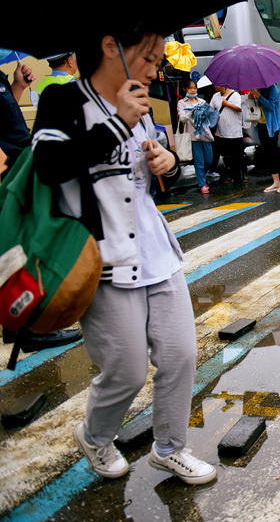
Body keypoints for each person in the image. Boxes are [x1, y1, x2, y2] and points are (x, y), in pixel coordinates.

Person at [31, 24, 216, 484]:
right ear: (111, 47)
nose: (156, 69)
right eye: (150, 58)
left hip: (157, 252)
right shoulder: (63, 101)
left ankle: (171, 447)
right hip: (101, 262)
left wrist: (167, 163)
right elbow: (49, 167)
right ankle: (95, 436)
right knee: (127, 370)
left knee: (179, 356)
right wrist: (117, 123)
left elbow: (151, 175)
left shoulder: (142, 102)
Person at [0, 52, 83, 352]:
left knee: (21, 250)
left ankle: (22, 322)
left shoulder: (2, 78)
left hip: (19, 166)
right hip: (11, 175)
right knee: (21, 250)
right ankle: (29, 327)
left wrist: (17, 87)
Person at [176, 80, 213, 194]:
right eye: (190, 88)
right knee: (199, 161)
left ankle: (201, 177)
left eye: (195, 88)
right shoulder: (182, 103)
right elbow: (182, 119)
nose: (193, 90)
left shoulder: (202, 101)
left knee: (209, 160)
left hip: (205, 134)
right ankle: (202, 183)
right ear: (185, 90)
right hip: (193, 136)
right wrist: (191, 112)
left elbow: (209, 116)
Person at [254, 84, 280, 193]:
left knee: (274, 151)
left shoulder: (272, 88)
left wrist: (258, 95)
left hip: (271, 125)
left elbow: (271, 106)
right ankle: (276, 181)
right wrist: (253, 97)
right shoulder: (258, 88)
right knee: (267, 152)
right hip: (261, 124)